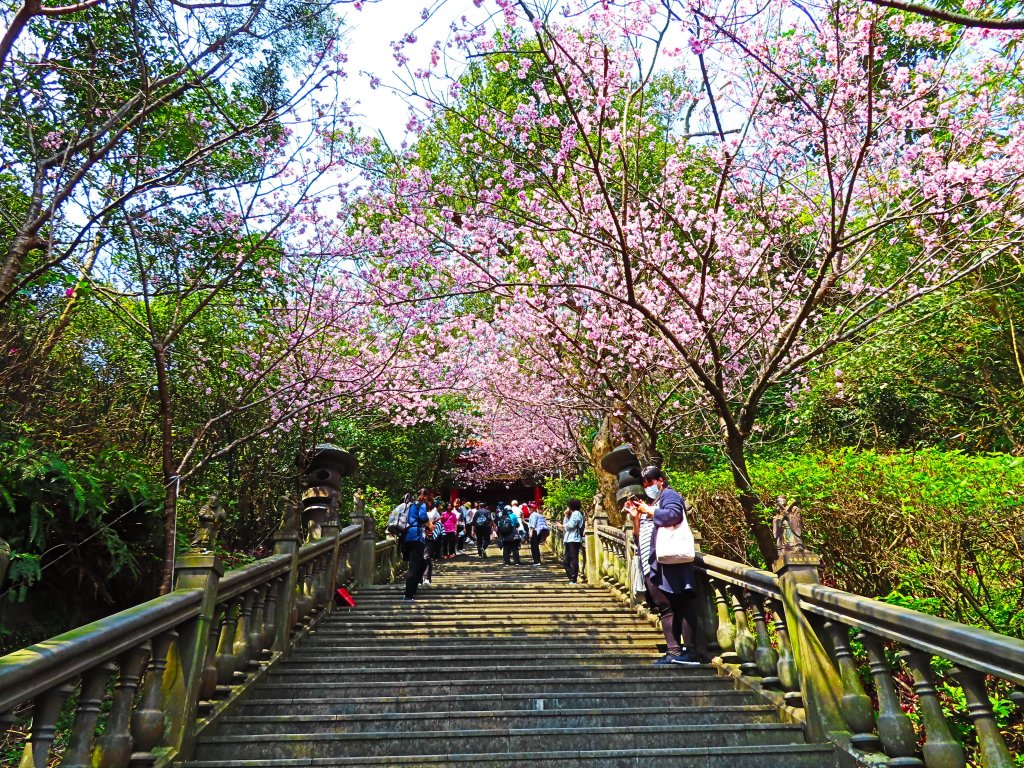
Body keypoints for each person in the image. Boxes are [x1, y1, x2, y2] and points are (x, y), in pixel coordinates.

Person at [625, 466, 701, 666]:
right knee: (666, 608)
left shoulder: (670, 495)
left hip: (670, 563)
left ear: (660, 480)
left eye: (649, 483)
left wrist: (648, 510)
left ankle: (689, 652)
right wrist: (636, 516)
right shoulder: (654, 502)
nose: (647, 487)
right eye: (644, 484)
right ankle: (674, 651)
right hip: (654, 564)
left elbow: (673, 516)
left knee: (679, 605)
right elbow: (639, 537)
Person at [401, 492, 430, 600]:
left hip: (406, 537)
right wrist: (429, 524)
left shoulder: (409, 505)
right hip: (416, 537)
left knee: (422, 563)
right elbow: (423, 517)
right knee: (414, 566)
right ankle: (408, 595)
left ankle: (415, 584)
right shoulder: (421, 504)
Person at [562, 499, 585, 584]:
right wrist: (566, 516)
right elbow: (566, 526)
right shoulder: (572, 515)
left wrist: (562, 525)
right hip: (568, 539)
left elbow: (571, 525)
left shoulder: (576, 513)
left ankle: (573, 579)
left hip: (574, 539)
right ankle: (571, 578)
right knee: (565, 561)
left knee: (573, 559)